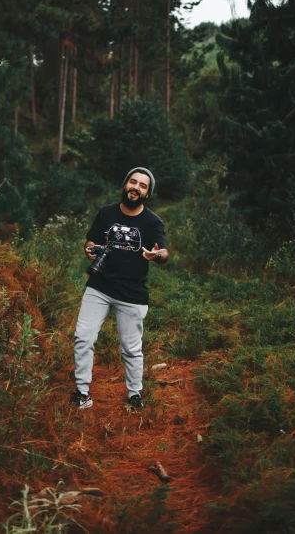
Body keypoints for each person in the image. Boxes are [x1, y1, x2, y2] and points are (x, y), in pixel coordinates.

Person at [71, 167, 169, 410]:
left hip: (133, 293)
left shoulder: (153, 222)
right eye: (132, 182)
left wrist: (156, 255)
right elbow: (91, 240)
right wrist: (90, 249)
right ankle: (82, 392)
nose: (136, 187)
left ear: (148, 193)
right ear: (125, 185)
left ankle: (134, 394)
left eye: (142, 185)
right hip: (99, 286)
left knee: (131, 349)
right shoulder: (106, 213)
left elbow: (165, 253)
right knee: (83, 338)